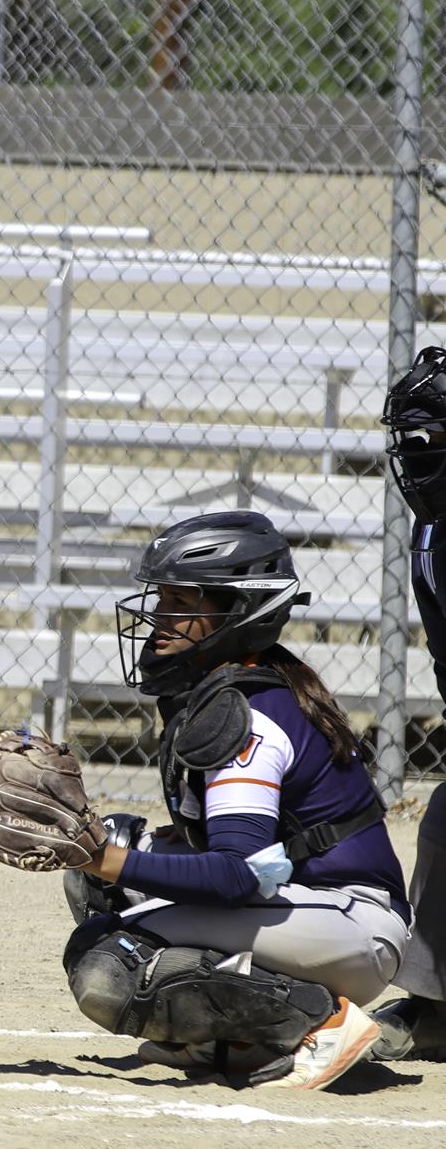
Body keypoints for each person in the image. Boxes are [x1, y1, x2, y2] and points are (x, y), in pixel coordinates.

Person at [58, 510, 407, 1090]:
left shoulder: (246, 717)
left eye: (181, 603)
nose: (159, 620)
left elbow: (240, 875)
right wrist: (109, 857)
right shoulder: (236, 687)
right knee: (112, 872)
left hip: (350, 924)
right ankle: (235, 1038)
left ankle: (317, 1020)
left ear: (236, 611)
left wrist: (98, 856)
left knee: (109, 964)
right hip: (306, 906)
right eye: (161, 600)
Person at [371, 348, 446, 1060]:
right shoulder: (432, 535)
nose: (417, 459)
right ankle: (437, 1002)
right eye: (410, 442)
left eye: (433, 442)